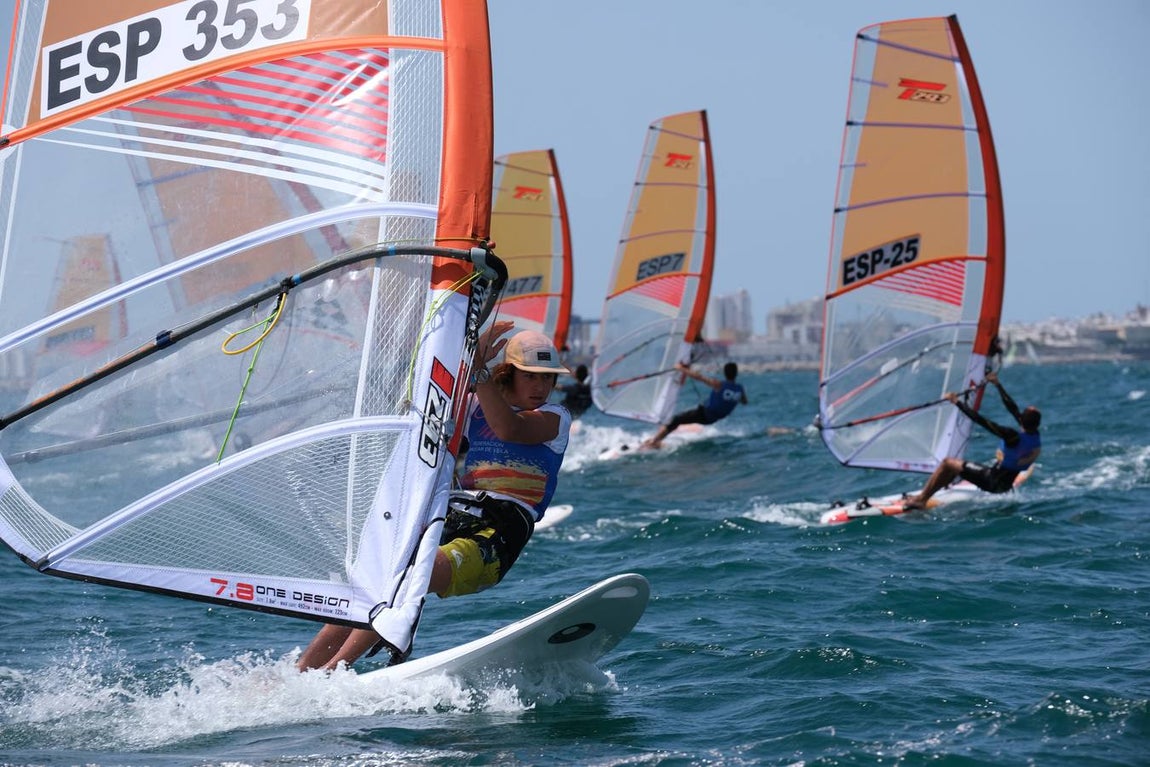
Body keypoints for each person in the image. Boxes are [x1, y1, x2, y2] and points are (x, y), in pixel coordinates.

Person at [296, 320, 572, 671]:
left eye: (547, 377)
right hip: (454, 515)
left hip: (499, 534)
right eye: (530, 375)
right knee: (380, 575)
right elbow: (428, 398)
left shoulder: (555, 417)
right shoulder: (474, 405)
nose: (541, 385)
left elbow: (510, 428)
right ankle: (302, 672)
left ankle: (334, 671)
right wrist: (464, 355)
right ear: (509, 373)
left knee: (410, 577)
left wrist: (479, 374)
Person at [903, 371, 1041, 510]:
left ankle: (921, 500)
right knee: (955, 466)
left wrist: (957, 402)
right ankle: (939, 486)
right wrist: (998, 385)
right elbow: (1012, 408)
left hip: (991, 481)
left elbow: (980, 420)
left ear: (1021, 420)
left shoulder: (1012, 436)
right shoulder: (1034, 435)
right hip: (1003, 486)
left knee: (947, 463)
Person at [642, 361, 748, 449]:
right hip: (714, 418)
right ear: (736, 374)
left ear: (725, 373)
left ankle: (654, 442)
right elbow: (744, 402)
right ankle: (657, 440)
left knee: (675, 420)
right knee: (682, 418)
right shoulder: (740, 389)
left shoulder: (719, 385)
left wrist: (681, 368)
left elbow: (699, 377)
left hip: (704, 414)